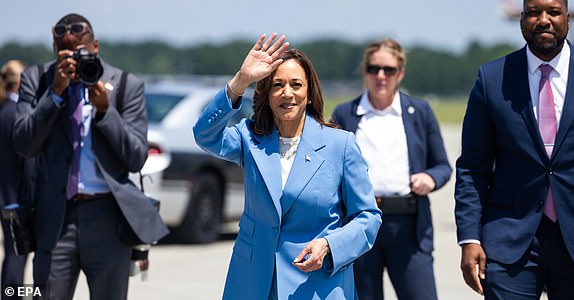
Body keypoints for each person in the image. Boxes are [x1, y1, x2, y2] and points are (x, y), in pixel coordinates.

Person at [193, 33, 382, 299]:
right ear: (267, 93)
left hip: (316, 285)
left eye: (296, 84)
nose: (287, 93)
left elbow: (368, 217)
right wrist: (240, 81)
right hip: (252, 283)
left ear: (309, 93)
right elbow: (204, 135)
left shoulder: (340, 145)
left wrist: (329, 245)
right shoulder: (249, 138)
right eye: (277, 85)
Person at [12, 13, 168, 299]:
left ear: (95, 47)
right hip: (55, 217)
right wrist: (55, 93)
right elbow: (24, 144)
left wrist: (106, 112)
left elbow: (136, 158)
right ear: (55, 50)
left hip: (107, 215)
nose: (72, 58)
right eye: (64, 52)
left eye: (79, 51)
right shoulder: (36, 80)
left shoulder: (125, 84)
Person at [455, 0, 574, 298]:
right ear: (521, 19)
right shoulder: (492, 78)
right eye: (534, 12)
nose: (543, 20)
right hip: (510, 241)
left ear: (567, 18)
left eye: (553, 12)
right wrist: (469, 238)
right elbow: (472, 167)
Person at [331, 38, 451, 300]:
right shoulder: (345, 114)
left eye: (389, 70)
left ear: (401, 73)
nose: (381, 76)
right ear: (364, 71)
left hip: (408, 224)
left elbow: (442, 166)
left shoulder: (419, 111)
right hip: (360, 225)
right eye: (374, 69)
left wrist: (430, 178)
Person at [0, 60, 29, 295]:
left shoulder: (3, 110)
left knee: (13, 252)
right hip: (12, 194)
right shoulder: (13, 113)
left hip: (5, 191)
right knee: (16, 253)